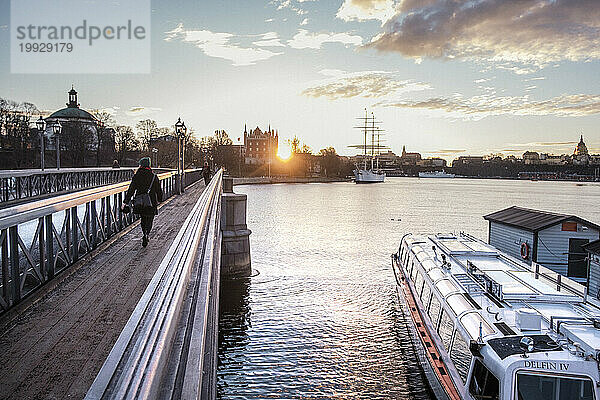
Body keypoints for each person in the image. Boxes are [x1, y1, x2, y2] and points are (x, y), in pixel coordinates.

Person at [123, 157, 163, 247]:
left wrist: (126, 201)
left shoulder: (137, 176)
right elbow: (158, 190)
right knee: (150, 218)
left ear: (141, 165)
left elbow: (131, 190)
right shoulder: (153, 176)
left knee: (143, 218)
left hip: (140, 201)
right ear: (149, 165)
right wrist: (160, 199)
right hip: (151, 201)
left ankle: (144, 232)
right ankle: (147, 233)